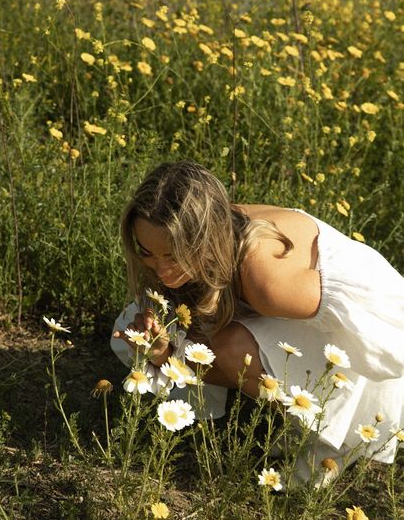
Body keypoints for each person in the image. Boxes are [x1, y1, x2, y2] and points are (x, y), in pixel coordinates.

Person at [111, 159, 403, 481]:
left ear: (202, 239)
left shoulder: (269, 283)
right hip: (274, 307)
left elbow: (377, 321)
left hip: (360, 351)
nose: (161, 270)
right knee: (134, 333)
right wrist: (167, 355)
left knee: (231, 348)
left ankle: (327, 434)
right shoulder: (200, 224)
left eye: (173, 254)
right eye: (147, 252)